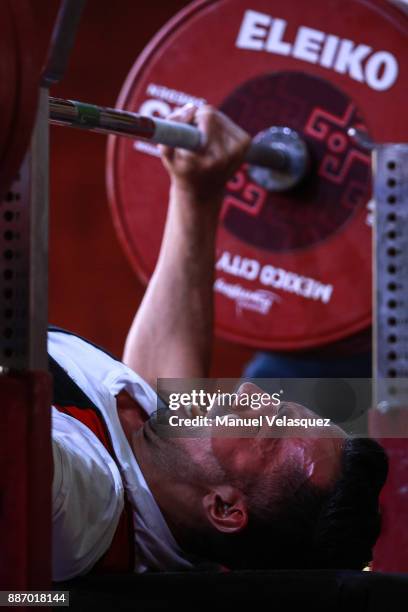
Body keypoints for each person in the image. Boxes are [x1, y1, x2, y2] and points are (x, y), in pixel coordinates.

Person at [50, 104, 388, 581]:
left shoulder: (82, 502)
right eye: (278, 405)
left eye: (265, 428)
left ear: (226, 507)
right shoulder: (160, 455)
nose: (250, 393)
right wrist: (198, 193)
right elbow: (160, 382)